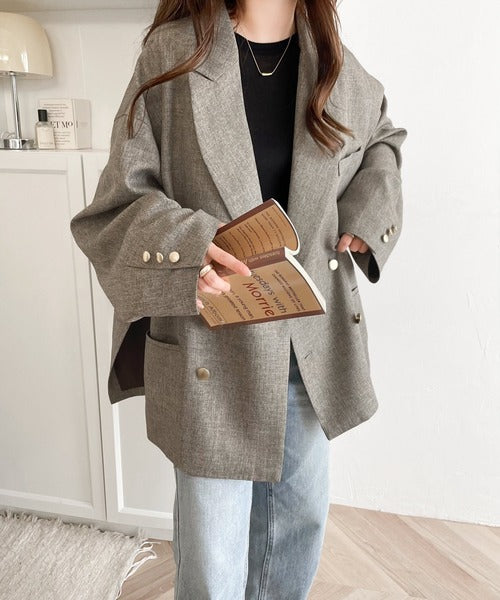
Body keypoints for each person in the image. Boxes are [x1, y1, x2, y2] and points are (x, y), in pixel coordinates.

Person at [70, 0, 407, 597]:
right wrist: (192, 247)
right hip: (211, 349)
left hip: (307, 347)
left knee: (296, 536)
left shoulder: (334, 64)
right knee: (214, 562)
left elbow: (383, 137)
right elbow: (117, 203)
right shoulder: (174, 56)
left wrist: (368, 208)